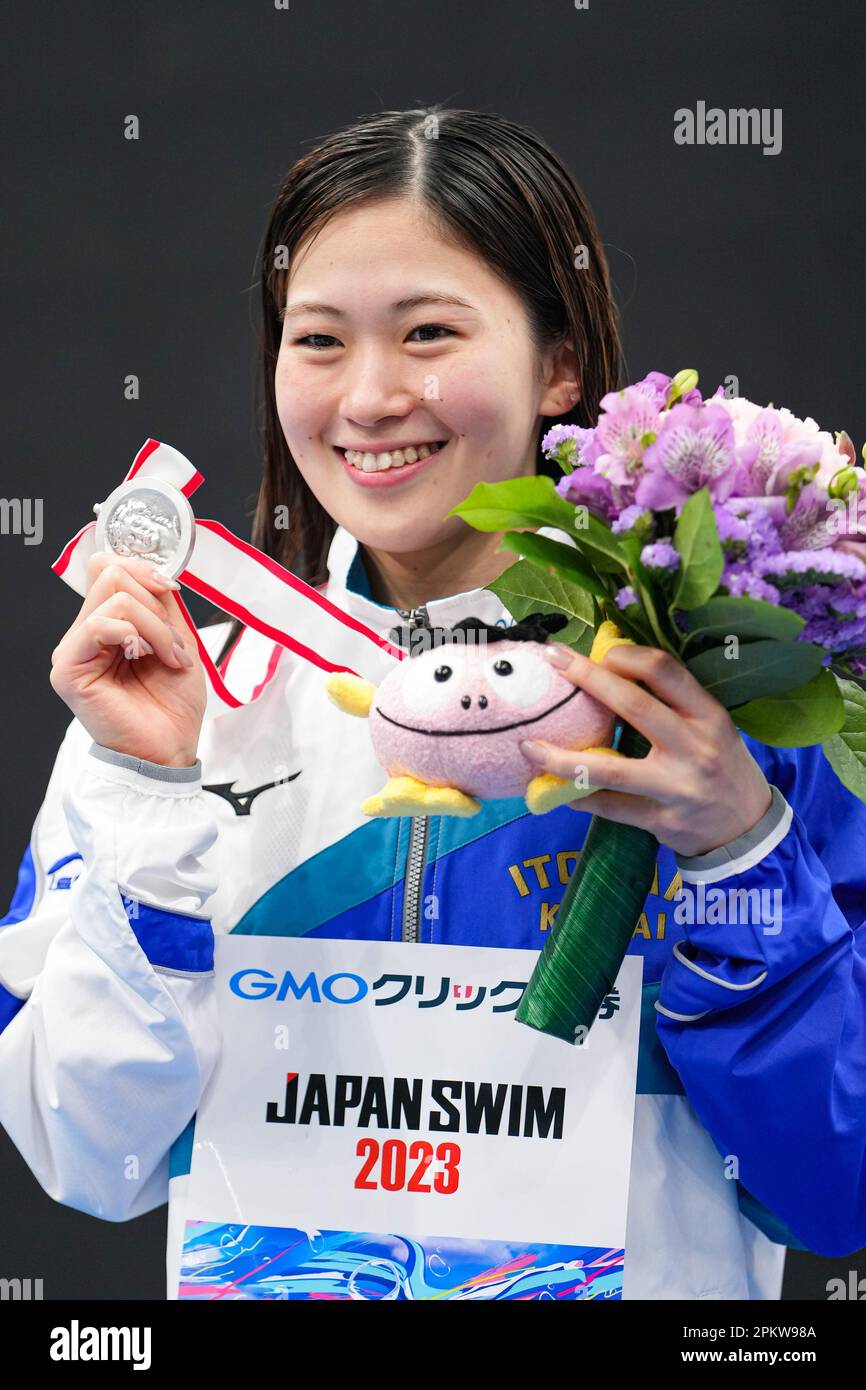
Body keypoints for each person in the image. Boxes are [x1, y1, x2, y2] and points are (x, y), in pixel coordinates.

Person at [1, 105, 864, 1302]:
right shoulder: (177, 709)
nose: (367, 398)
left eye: (428, 332)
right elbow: (91, 1158)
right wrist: (154, 798)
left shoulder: (725, 714)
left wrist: (735, 855)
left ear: (557, 361)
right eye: (317, 341)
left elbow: (833, 1189)